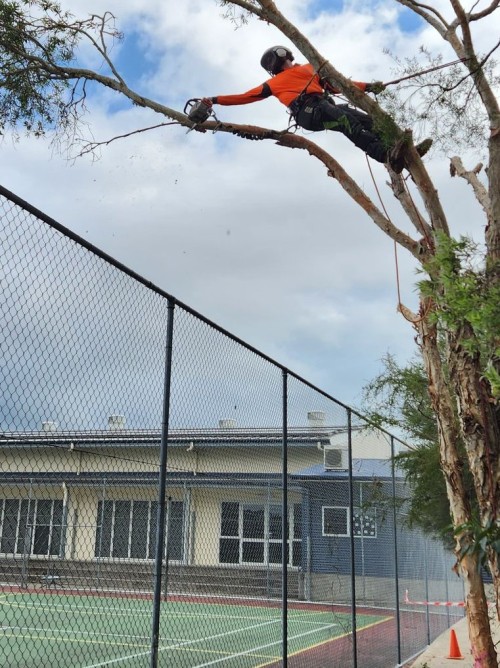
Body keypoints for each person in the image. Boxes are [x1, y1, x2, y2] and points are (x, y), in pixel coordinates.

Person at [201, 46, 432, 172]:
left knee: (367, 120)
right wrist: (215, 99)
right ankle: (384, 155)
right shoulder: (272, 84)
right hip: (308, 112)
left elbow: (340, 85)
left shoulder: (310, 68)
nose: (285, 59)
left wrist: (369, 87)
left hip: (324, 105)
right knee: (344, 119)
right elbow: (244, 97)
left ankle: (402, 151)